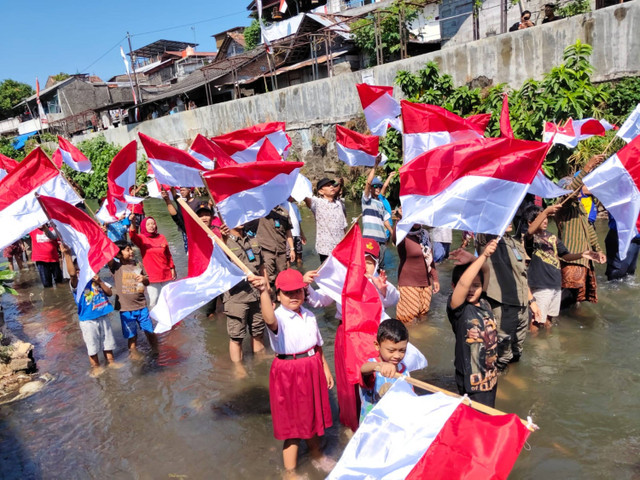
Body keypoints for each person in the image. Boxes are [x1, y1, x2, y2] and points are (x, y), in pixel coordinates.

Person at [252, 269, 335, 478]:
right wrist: (263, 292)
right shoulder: (278, 316)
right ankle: (289, 472)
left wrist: (325, 368)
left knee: (313, 417)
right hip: (289, 372)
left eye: (297, 291)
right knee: (293, 426)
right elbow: (268, 318)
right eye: (287, 293)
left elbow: (317, 346)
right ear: (278, 295)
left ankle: (316, 455)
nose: (293, 296)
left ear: (304, 292)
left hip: (312, 366)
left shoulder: (308, 314)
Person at [525, 204, 603, 329]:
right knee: (537, 320)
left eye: (546, 217)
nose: (545, 220)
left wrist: (582, 254)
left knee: (549, 320)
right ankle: (536, 344)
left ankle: (549, 343)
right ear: (530, 222)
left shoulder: (553, 237)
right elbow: (529, 231)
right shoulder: (530, 238)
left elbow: (565, 256)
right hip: (540, 284)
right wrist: (546, 211)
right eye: (541, 217)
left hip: (555, 284)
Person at [477, 226, 540, 369]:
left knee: (517, 351)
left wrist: (531, 301)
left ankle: (511, 379)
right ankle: (498, 383)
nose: (510, 219)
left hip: (522, 304)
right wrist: (546, 211)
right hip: (503, 304)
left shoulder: (515, 242)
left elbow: (521, 276)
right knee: (500, 354)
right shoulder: (488, 239)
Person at [447, 239, 499, 407]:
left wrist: (471, 258)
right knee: (478, 419)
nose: (471, 289)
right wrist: (483, 255)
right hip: (473, 381)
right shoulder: (459, 308)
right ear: (453, 286)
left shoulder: (483, 301)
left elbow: (485, 270)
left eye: (476, 285)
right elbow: (463, 283)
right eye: (469, 285)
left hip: (490, 377)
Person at [555, 155, 607, 307]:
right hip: (571, 259)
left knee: (578, 299)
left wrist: (598, 250)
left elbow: (590, 230)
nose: (579, 190)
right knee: (565, 298)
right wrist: (587, 167)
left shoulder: (580, 207)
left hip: (584, 259)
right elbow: (568, 194)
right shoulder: (562, 207)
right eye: (577, 188)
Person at [61, 244, 118, 372]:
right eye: (81, 270)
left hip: (103, 315)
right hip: (88, 320)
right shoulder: (78, 285)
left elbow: (109, 293)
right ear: (78, 272)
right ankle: (96, 367)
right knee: (92, 345)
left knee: (107, 342)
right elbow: (72, 275)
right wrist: (67, 255)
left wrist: (100, 282)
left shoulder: (97, 280)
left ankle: (111, 362)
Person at [223, 222, 266, 371]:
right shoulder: (223, 242)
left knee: (258, 331)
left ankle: (260, 362)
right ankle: (239, 369)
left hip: (256, 295)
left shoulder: (253, 240)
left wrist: (267, 290)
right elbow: (220, 262)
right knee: (237, 337)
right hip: (236, 298)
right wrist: (222, 238)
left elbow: (262, 266)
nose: (240, 222)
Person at [108, 242, 158, 358]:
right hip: (126, 309)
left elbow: (148, 281)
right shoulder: (116, 266)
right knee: (132, 337)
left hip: (141, 306)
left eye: (131, 249)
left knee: (150, 332)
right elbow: (108, 255)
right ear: (119, 254)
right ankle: (135, 358)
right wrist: (104, 235)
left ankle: (156, 352)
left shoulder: (138, 264)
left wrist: (144, 279)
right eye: (127, 250)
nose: (131, 252)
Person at [360, 319, 410, 422]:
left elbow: (410, 392)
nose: (397, 355)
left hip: (394, 420)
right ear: (377, 346)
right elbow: (363, 369)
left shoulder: (403, 369)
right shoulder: (373, 365)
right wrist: (379, 365)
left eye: (402, 350)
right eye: (391, 351)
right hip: (372, 421)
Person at [129, 216, 176, 309]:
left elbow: (168, 255)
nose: (151, 226)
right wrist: (133, 223)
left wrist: (172, 268)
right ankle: (154, 321)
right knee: (154, 301)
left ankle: (171, 321)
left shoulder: (162, 237)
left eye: (153, 223)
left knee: (170, 299)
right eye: (148, 224)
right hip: (152, 276)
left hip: (166, 274)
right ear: (144, 226)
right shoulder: (142, 239)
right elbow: (132, 236)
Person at [396, 224, 439, 324]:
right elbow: (395, 236)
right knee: (408, 320)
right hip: (409, 285)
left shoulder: (425, 234)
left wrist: (435, 278)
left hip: (426, 284)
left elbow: (430, 258)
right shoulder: (403, 234)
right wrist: (403, 218)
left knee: (423, 318)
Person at [304, 178, 347, 263]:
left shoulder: (339, 204)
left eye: (332, 185)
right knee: (328, 274)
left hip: (340, 247)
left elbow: (344, 226)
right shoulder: (318, 203)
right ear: (321, 191)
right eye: (327, 185)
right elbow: (305, 197)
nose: (331, 187)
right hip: (326, 248)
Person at [361, 158, 392, 268]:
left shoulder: (380, 202)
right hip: (370, 238)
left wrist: (393, 234)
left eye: (379, 186)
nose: (378, 188)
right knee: (370, 267)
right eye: (375, 186)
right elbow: (368, 183)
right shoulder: (366, 200)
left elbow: (386, 221)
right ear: (371, 189)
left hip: (382, 239)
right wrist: (375, 165)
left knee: (381, 267)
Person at [256, 206, 295, 290]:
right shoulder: (262, 210)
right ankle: (271, 298)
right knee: (269, 276)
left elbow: (288, 232)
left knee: (283, 274)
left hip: (281, 250)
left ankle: (282, 296)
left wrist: (292, 249)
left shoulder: (284, 212)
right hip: (266, 249)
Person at [605, 214, 640, 281]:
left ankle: (625, 290)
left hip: (636, 236)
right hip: (622, 235)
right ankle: (613, 290)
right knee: (617, 274)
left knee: (629, 273)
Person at [287, 198, 306, 265]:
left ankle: (300, 271)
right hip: (288, 235)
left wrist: (302, 234)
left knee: (299, 254)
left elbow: (298, 221)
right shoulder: (282, 204)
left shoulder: (295, 206)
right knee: (287, 257)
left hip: (297, 233)